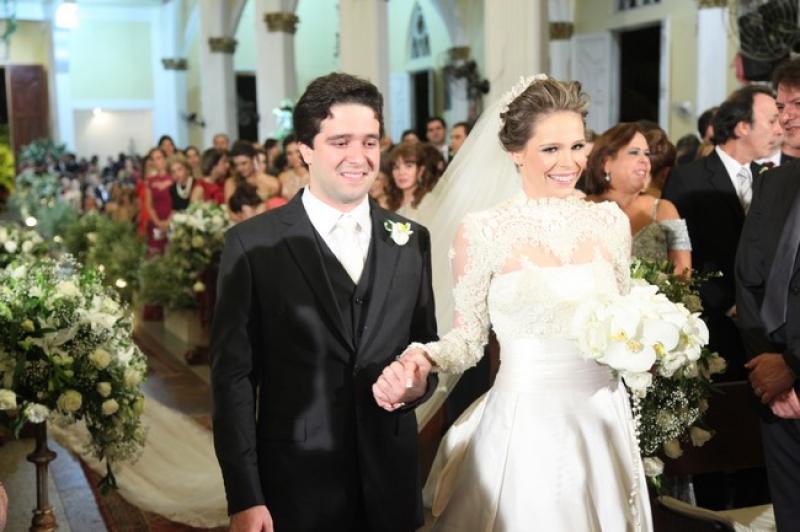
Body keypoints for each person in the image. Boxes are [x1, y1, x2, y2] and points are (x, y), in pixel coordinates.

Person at [377, 75, 652, 530]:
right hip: (526, 424)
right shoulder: (482, 230)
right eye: (551, 149)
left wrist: (653, 344)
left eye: (577, 146)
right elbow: (468, 341)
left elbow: (624, 320)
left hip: (603, 417)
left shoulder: (610, 222)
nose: (569, 162)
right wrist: (424, 356)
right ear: (515, 152)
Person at [210, 73, 438, 532]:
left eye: (369, 141)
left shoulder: (411, 239)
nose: (359, 156)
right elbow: (233, 380)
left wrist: (418, 385)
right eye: (340, 142)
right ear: (305, 150)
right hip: (296, 484)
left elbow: (424, 347)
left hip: (390, 480)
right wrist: (245, 495)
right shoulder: (252, 245)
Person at [663, 85, 782, 380]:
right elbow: (679, 256)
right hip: (715, 324)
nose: (779, 130)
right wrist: (728, 304)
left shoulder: (770, 179)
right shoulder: (688, 178)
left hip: (768, 327)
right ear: (742, 126)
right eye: (771, 121)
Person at [736, 158, 800, 531]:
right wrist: (768, 367)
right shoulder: (774, 182)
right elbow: (748, 278)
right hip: (775, 395)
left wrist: (793, 365)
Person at [585, 123, 691, 275]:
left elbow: (683, 273)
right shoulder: (582, 209)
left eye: (646, 154)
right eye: (634, 153)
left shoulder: (664, 209)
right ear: (606, 163)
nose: (645, 160)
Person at [278, 134, 310, 200]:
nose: (294, 157)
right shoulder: (282, 177)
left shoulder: (315, 177)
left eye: (297, 151)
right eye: (289, 153)